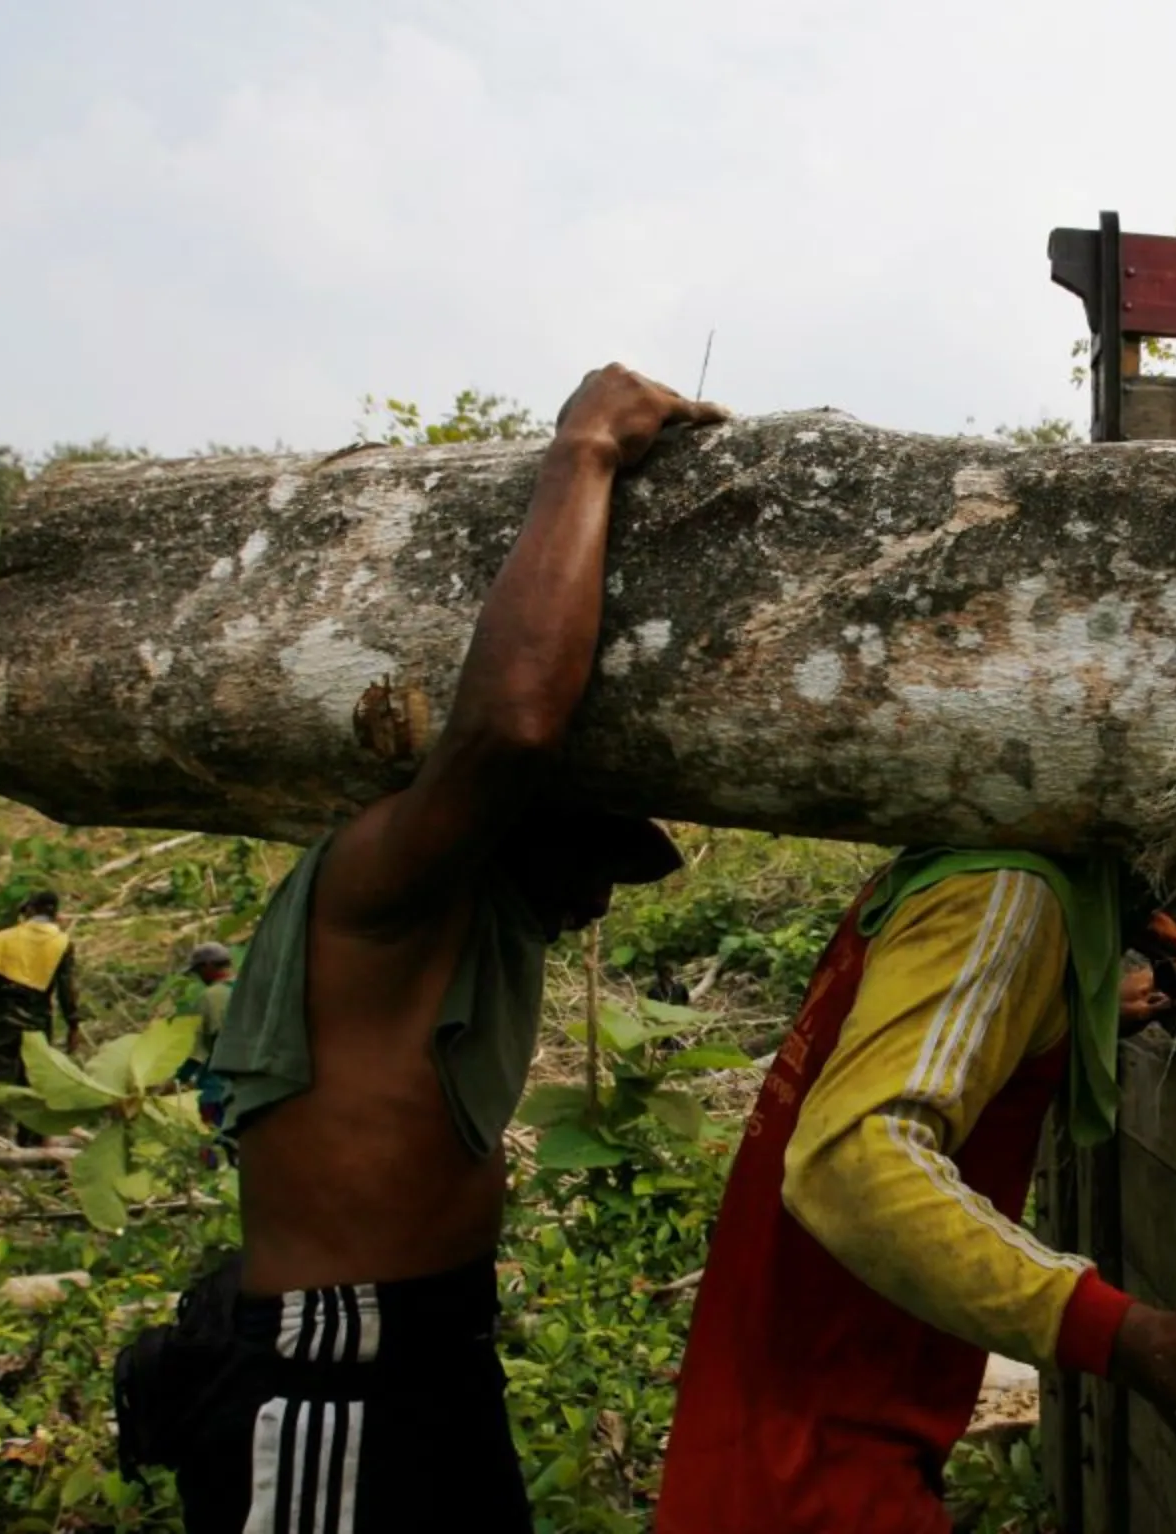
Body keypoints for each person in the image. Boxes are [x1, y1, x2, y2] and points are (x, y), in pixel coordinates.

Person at [110, 364, 725, 1533]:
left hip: (433, 1359)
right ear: (516, 819)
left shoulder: (473, 927)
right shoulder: (381, 885)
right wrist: (585, 448)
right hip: (332, 1387)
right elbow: (512, 725)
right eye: (598, 850)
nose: (602, 893)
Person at [656, 849, 1176, 1534]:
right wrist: (1137, 1338)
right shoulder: (1002, 892)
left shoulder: (955, 870)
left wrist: (1074, 1009)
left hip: (765, 1436)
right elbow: (850, 1161)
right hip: (818, 1477)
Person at [0, 890, 83, 1147]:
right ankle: (32, 1145)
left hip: (1, 1019)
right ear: (55, 914)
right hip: (37, 1022)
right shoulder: (62, 943)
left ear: (28, 909)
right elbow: (65, 989)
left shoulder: (4, 938)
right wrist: (73, 1025)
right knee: (33, 1084)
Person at [178, 941, 236, 1142]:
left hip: (217, 1089)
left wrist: (179, 1080)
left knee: (212, 1144)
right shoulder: (250, 990)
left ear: (208, 966)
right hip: (253, 1086)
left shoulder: (210, 997)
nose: (199, 977)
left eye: (198, 971)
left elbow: (199, 1051)